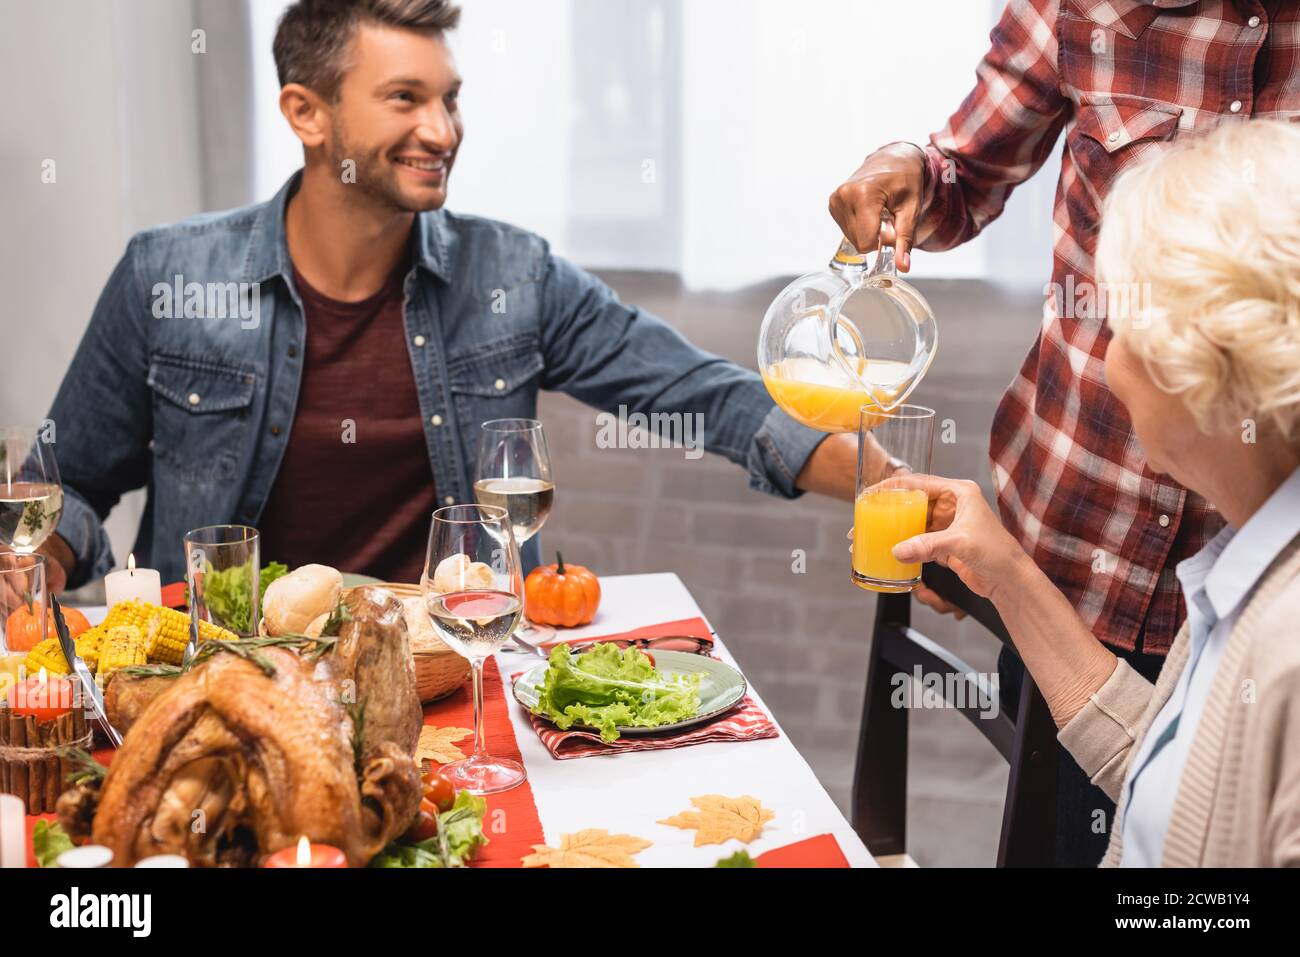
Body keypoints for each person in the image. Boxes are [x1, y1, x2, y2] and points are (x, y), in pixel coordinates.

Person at [24, 0, 864, 592]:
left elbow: (706, 397)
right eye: (406, 98)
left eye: (450, 98)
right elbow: (63, 491)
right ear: (306, 114)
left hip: (453, 671)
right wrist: (41, 558)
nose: (444, 130)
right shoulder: (167, 278)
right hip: (227, 680)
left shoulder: (511, 274)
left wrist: (883, 479)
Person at [828, 0, 1300, 864]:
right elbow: (1156, 775)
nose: (1099, 351)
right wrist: (1007, 576)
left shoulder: (1280, 643)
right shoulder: (1226, 592)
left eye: (1127, 321)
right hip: (1078, 560)